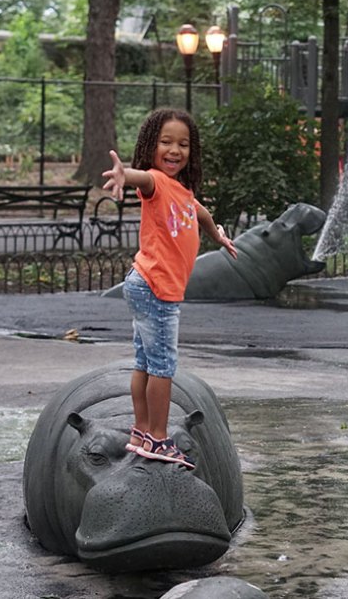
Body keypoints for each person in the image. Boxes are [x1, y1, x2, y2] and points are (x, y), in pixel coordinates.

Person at [103, 108, 238, 469]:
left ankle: (141, 432)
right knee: (162, 367)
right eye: (166, 142)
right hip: (156, 288)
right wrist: (124, 174)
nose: (174, 150)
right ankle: (158, 440)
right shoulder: (157, 182)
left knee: (145, 363)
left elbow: (202, 213)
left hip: (144, 283)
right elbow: (141, 179)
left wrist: (218, 237)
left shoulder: (181, 191)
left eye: (183, 143)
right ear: (151, 146)